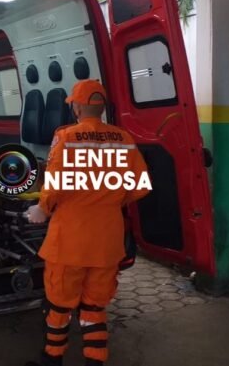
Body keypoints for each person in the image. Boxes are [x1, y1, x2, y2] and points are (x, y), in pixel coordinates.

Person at [24, 79, 151, 366]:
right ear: (102, 108)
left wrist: (42, 209)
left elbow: (55, 180)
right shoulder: (124, 138)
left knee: (59, 305)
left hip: (70, 240)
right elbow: (142, 186)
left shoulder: (67, 137)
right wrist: (114, 200)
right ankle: (95, 361)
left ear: (78, 108)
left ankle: (52, 359)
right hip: (107, 239)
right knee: (94, 306)